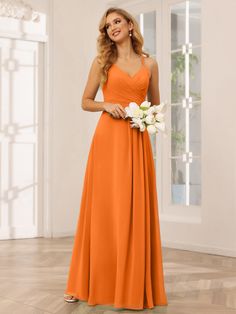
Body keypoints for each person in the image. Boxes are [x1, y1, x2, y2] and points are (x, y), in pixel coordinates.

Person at [63, 6, 168, 310]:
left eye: (117, 22)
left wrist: (145, 119)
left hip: (136, 142)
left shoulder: (151, 63)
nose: (112, 28)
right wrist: (106, 105)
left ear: (130, 26)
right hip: (108, 142)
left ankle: (133, 286)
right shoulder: (102, 62)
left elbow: (156, 106)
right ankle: (84, 283)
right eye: (108, 26)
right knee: (104, 211)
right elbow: (85, 101)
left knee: (132, 211)